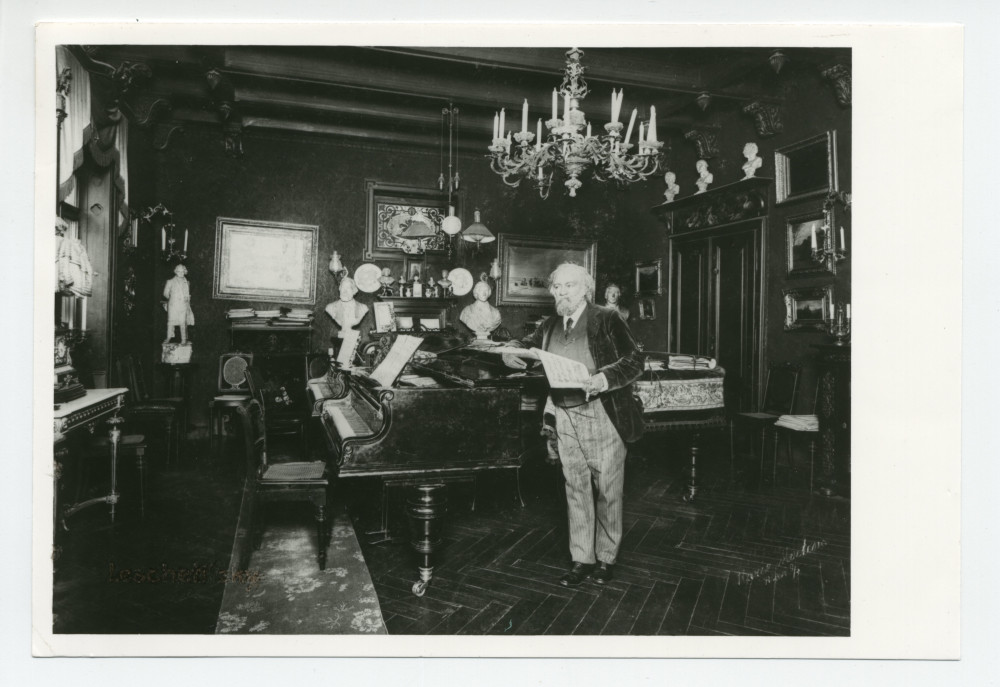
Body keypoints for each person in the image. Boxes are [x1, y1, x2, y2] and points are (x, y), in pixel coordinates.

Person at [502, 262, 644, 586]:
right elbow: (527, 346)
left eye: (570, 285)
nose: (562, 292)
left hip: (602, 413)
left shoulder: (607, 319)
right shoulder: (550, 325)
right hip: (564, 415)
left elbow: (635, 359)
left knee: (608, 491)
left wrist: (604, 379)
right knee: (575, 488)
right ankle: (582, 559)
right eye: (557, 286)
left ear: (585, 289)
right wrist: (511, 352)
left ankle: (606, 560)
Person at [163, 263, 194, 344]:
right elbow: (165, 293)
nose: (181, 273)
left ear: (185, 272)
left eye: (183, 271)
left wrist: (187, 298)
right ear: (176, 272)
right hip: (173, 306)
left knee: (183, 322)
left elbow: (187, 293)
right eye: (179, 272)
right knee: (171, 322)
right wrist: (172, 297)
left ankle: (183, 339)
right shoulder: (170, 282)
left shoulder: (186, 282)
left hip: (183, 305)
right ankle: (168, 337)